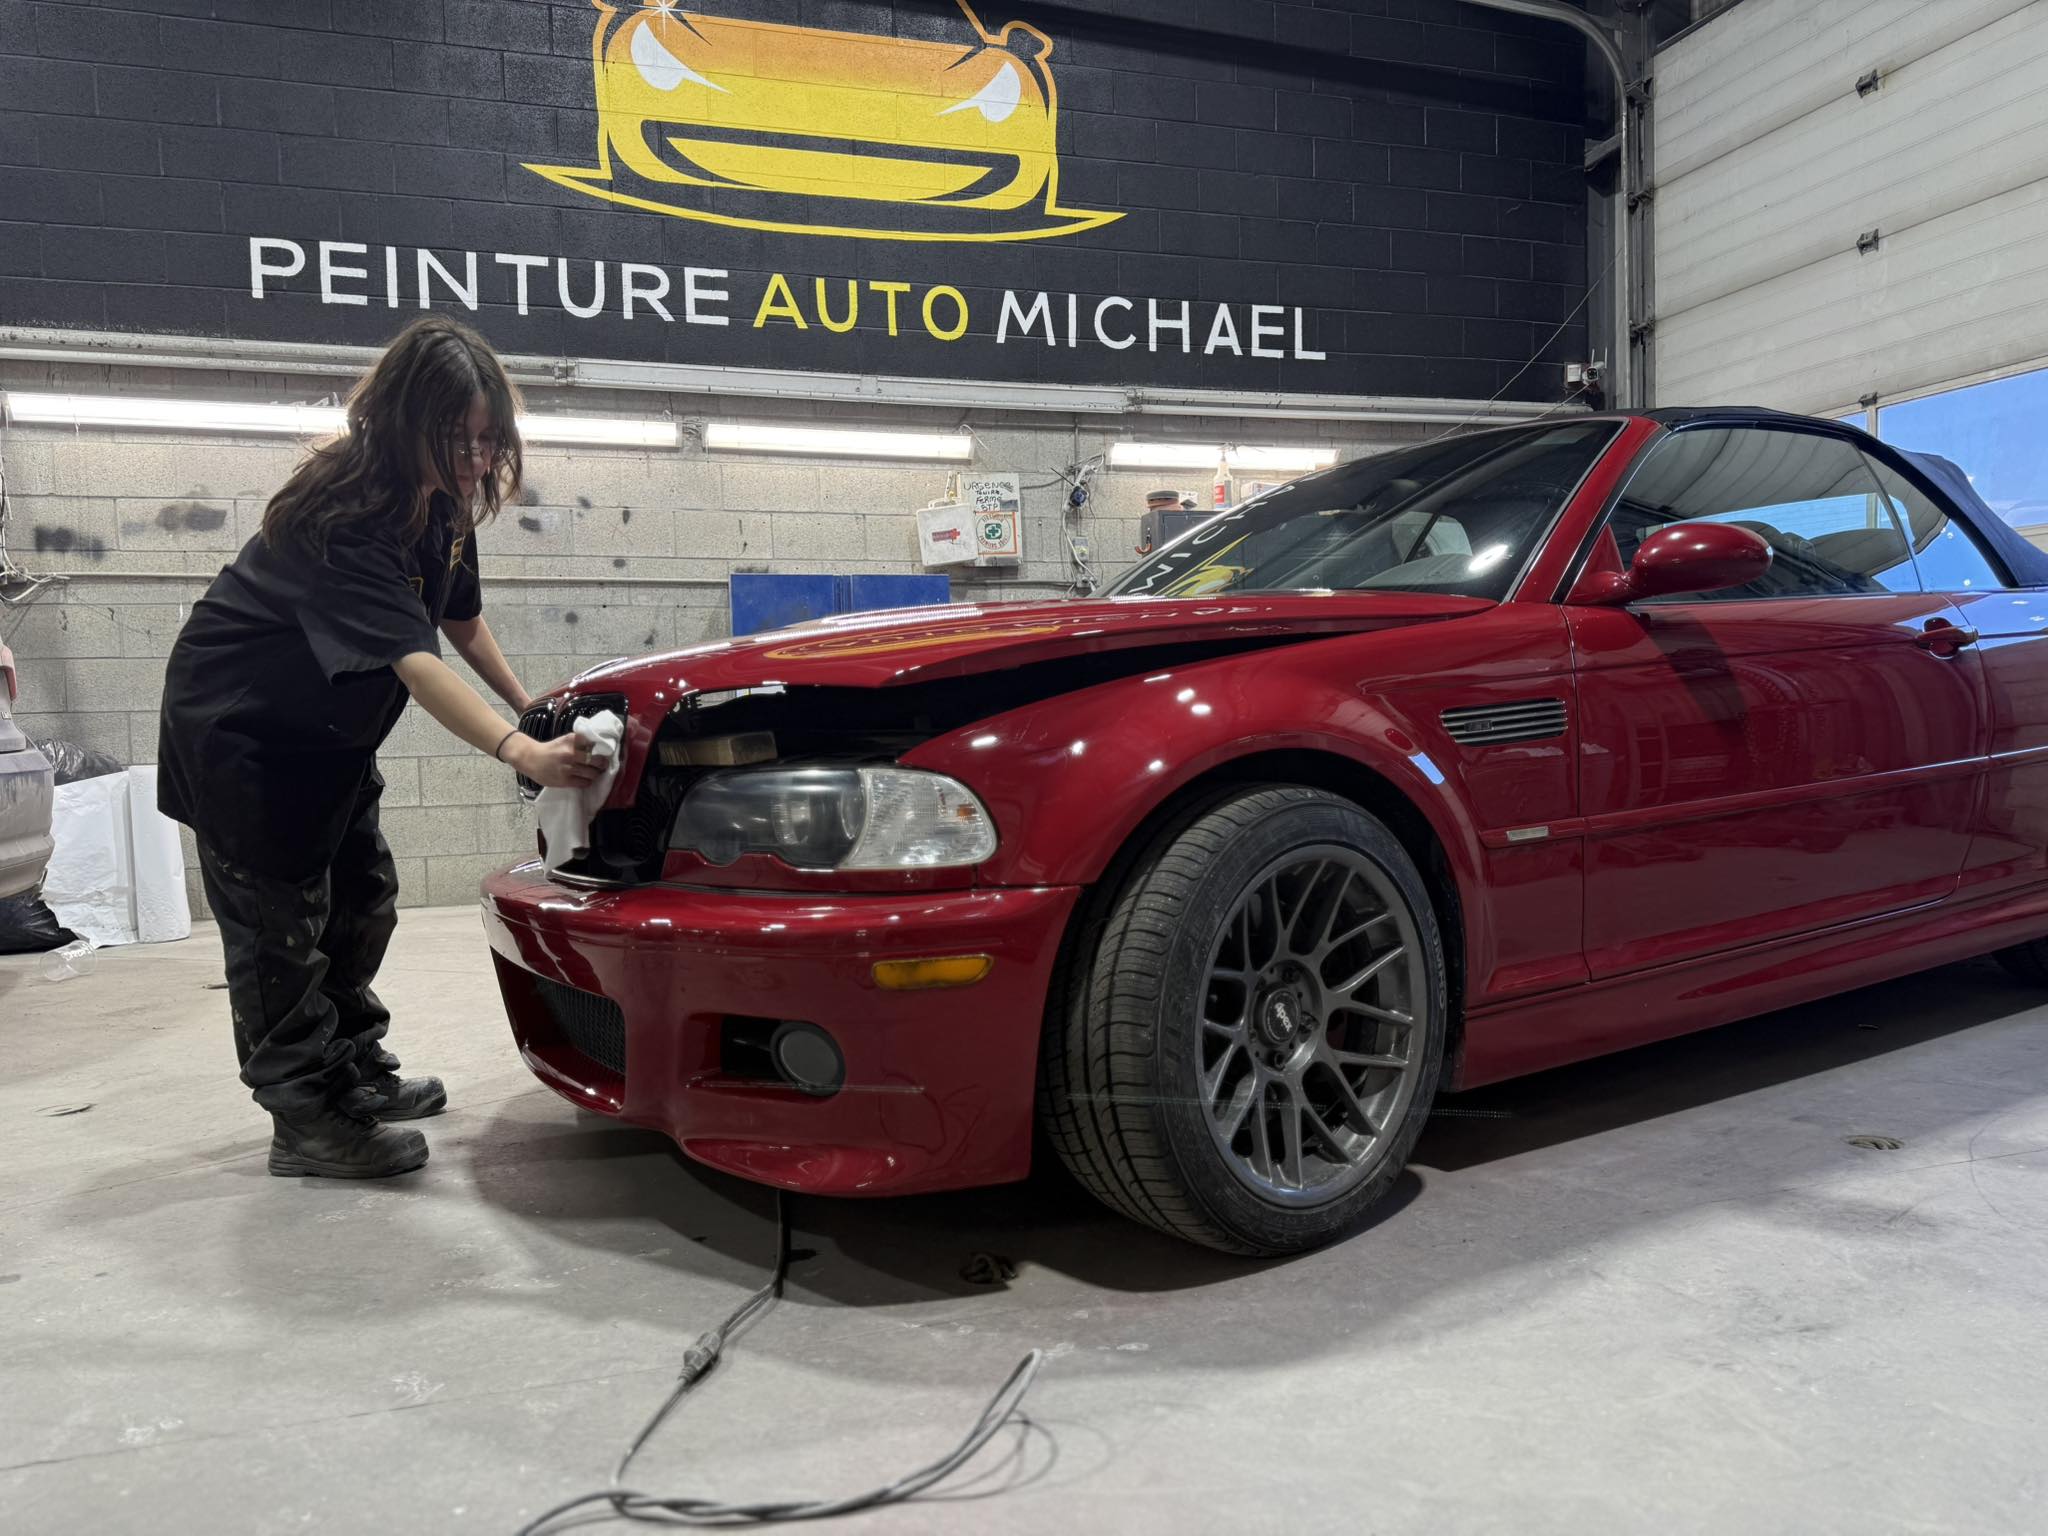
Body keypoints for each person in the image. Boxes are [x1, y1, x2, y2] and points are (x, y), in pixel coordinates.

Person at [158, 316, 603, 1180]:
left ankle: (352, 1067)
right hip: (242, 735)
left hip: (328, 735)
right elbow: (416, 662)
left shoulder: (439, 503)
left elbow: (456, 617)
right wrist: (523, 752)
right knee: (277, 930)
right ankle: (309, 1119)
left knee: (363, 900)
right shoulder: (342, 512)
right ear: (405, 421)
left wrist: (530, 703)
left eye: (488, 440)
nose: (476, 460)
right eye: (458, 439)